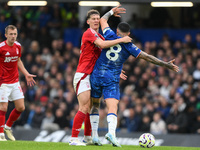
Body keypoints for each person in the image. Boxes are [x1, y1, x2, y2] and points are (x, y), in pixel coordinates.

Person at [90, 6, 179, 147]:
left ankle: (94, 136)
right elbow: (148, 57)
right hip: (111, 78)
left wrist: (112, 12)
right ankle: (111, 133)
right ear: (129, 33)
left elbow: (102, 19)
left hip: (96, 74)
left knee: (94, 104)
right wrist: (165, 64)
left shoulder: (109, 34)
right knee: (113, 107)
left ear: (117, 31)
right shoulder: (130, 46)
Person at [69, 8, 132, 146]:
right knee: (84, 107)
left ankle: (88, 137)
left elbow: (105, 53)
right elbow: (103, 45)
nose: (96, 21)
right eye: (93, 19)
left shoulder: (99, 36)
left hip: (92, 74)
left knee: (90, 106)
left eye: (98, 18)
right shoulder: (89, 33)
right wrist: (122, 39)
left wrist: (115, 69)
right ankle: (74, 138)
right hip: (83, 74)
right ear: (88, 21)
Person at [0, 25, 36, 141]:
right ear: (6, 35)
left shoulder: (18, 46)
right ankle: (1, 134)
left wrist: (26, 74)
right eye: (11, 34)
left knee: (21, 107)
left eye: (15, 34)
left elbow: (18, 60)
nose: (13, 36)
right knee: (4, 108)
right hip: (3, 82)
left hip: (15, 81)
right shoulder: (1, 48)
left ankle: (7, 127)